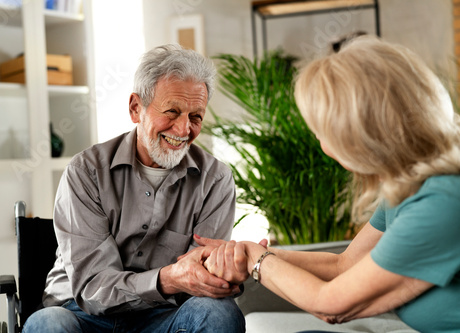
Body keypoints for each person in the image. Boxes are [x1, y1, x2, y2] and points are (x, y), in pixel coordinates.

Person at [195, 36, 460, 332]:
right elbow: (344, 265)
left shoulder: (442, 201)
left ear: (358, 137)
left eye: (320, 130)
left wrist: (257, 260)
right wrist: (242, 251)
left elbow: (329, 303)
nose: (320, 142)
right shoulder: (410, 181)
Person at [23, 44, 245, 333]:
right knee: (47, 324)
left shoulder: (215, 180)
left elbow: (200, 282)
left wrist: (234, 268)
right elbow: (93, 288)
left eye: (195, 116)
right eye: (172, 112)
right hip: (81, 313)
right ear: (135, 108)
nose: (183, 130)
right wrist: (170, 278)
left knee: (219, 313)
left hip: (165, 315)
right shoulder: (85, 173)